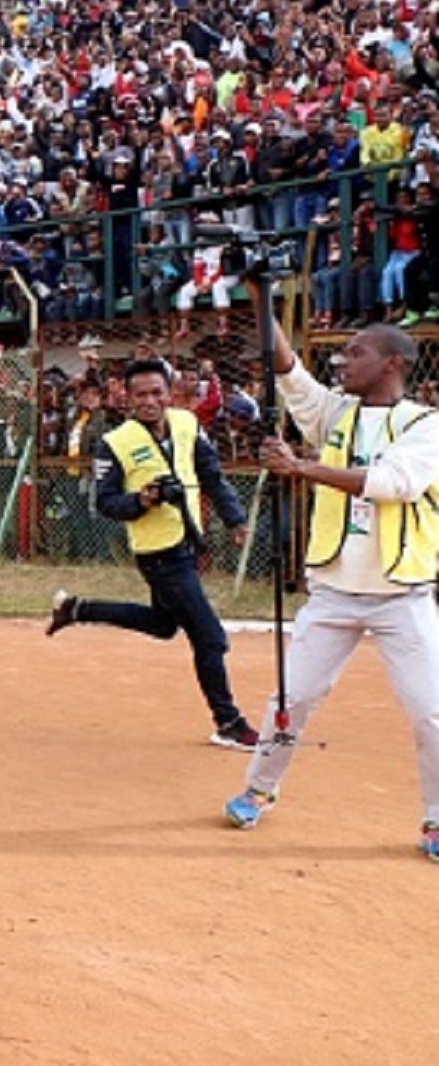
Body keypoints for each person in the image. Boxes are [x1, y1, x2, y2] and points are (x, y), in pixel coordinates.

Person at [224, 297, 439, 862]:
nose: (343, 362)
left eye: (356, 351)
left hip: (402, 595)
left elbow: (391, 483)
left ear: (392, 362)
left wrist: (300, 467)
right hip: (335, 591)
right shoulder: (335, 412)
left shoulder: (427, 426)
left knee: (431, 711)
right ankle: (259, 788)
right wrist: (258, 294)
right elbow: (288, 370)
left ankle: (436, 821)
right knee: (292, 696)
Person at [45, 359, 258, 749]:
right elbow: (106, 503)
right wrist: (142, 500)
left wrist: (235, 520)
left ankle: (77, 609)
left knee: (164, 625)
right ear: (126, 398)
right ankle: (229, 721)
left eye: (157, 393)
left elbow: (212, 476)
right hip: (159, 553)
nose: (150, 401)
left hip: (187, 544)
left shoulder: (187, 424)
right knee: (209, 639)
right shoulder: (115, 442)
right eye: (140, 394)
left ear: (170, 392)